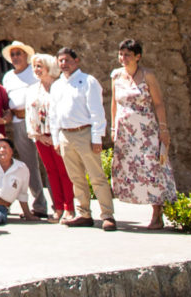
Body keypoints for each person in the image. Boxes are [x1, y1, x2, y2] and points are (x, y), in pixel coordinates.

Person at [110, 38, 176, 230]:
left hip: (146, 131)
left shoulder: (148, 75)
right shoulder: (116, 76)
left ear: (137, 57)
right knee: (131, 170)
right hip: (126, 133)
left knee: (152, 168)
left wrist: (163, 129)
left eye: (127, 55)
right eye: (121, 54)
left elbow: (159, 103)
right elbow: (114, 102)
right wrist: (114, 128)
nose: (123, 58)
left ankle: (157, 212)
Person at [50, 47, 115, 230]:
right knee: (76, 177)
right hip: (65, 134)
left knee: (96, 176)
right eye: (61, 61)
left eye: (67, 60)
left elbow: (97, 112)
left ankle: (107, 214)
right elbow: (53, 114)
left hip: (84, 133)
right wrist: (56, 138)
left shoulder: (88, 81)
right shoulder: (57, 85)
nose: (64, 64)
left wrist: (97, 138)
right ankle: (83, 213)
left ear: (76, 61)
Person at [25, 53, 75, 223]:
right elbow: (28, 113)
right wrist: (37, 135)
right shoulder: (33, 89)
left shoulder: (59, 86)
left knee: (64, 171)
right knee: (51, 171)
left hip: (58, 135)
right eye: (34, 66)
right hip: (41, 137)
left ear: (48, 67)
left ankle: (70, 207)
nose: (36, 69)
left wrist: (56, 136)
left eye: (40, 66)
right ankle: (58, 207)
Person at [0, 40, 47, 217]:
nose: (16, 57)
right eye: (13, 54)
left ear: (26, 55)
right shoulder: (8, 77)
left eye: (19, 53)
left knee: (48, 161)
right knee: (29, 165)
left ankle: (62, 205)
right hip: (19, 122)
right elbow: (7, 103)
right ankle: (40, 205)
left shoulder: (33, 71)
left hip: (38, 121)